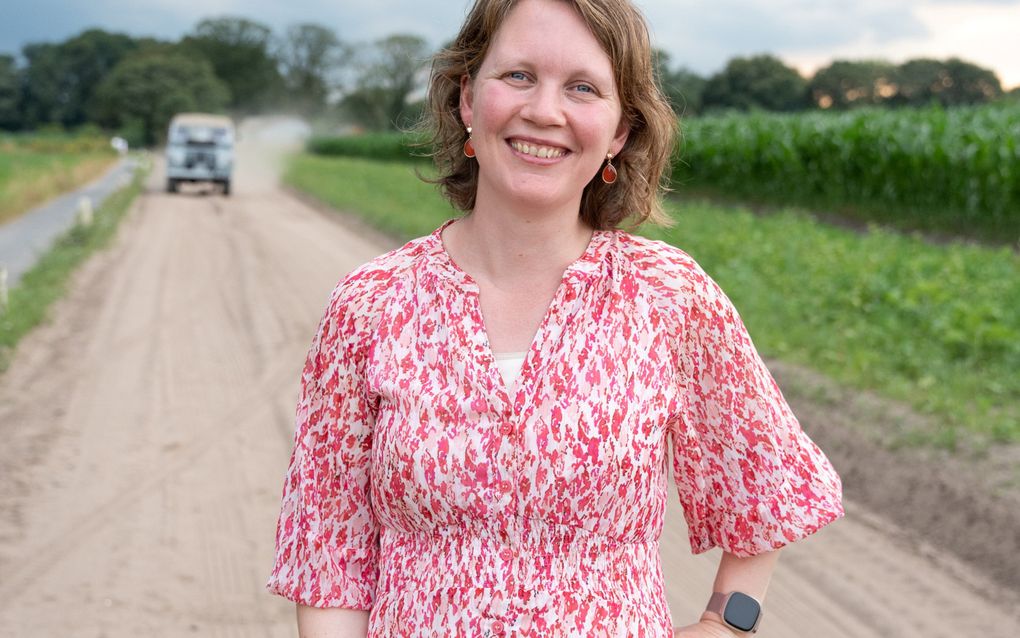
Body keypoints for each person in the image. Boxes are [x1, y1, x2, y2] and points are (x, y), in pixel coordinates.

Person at [266, 0, 846, 635]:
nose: (544, 111)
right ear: (466, 99)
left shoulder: (668, 297)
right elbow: (328, 558)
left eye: (583, 88)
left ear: (620, 131)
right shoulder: (370, 304)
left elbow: (767, 486)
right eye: (517, 76)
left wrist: (726, 625)